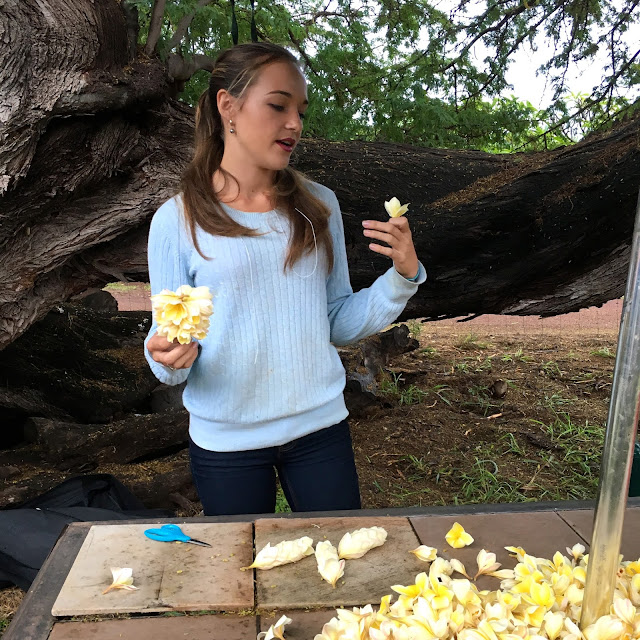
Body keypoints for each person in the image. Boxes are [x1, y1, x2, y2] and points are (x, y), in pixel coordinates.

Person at [144, 42, 426, 516]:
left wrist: (402, 277)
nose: (294, 123)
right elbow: (171, 341)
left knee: (341, 557)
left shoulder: (319, 206)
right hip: (226, 443)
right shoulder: (176, 221)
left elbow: (335, 320)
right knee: (242, 565)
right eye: (278, 106)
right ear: (228, 106)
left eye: (301, 111)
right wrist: (169, 357)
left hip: (320, 431)